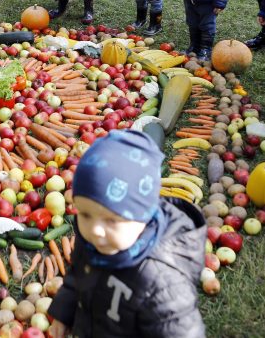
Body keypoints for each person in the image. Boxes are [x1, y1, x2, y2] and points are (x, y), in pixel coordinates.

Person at [47, 130, 206, 338]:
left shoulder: (161, 281)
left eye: (112, 220)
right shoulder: (92, 242)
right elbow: (78, 275)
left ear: (144, 215)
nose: (95, 229)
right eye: (85, 214)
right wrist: (64, 312)